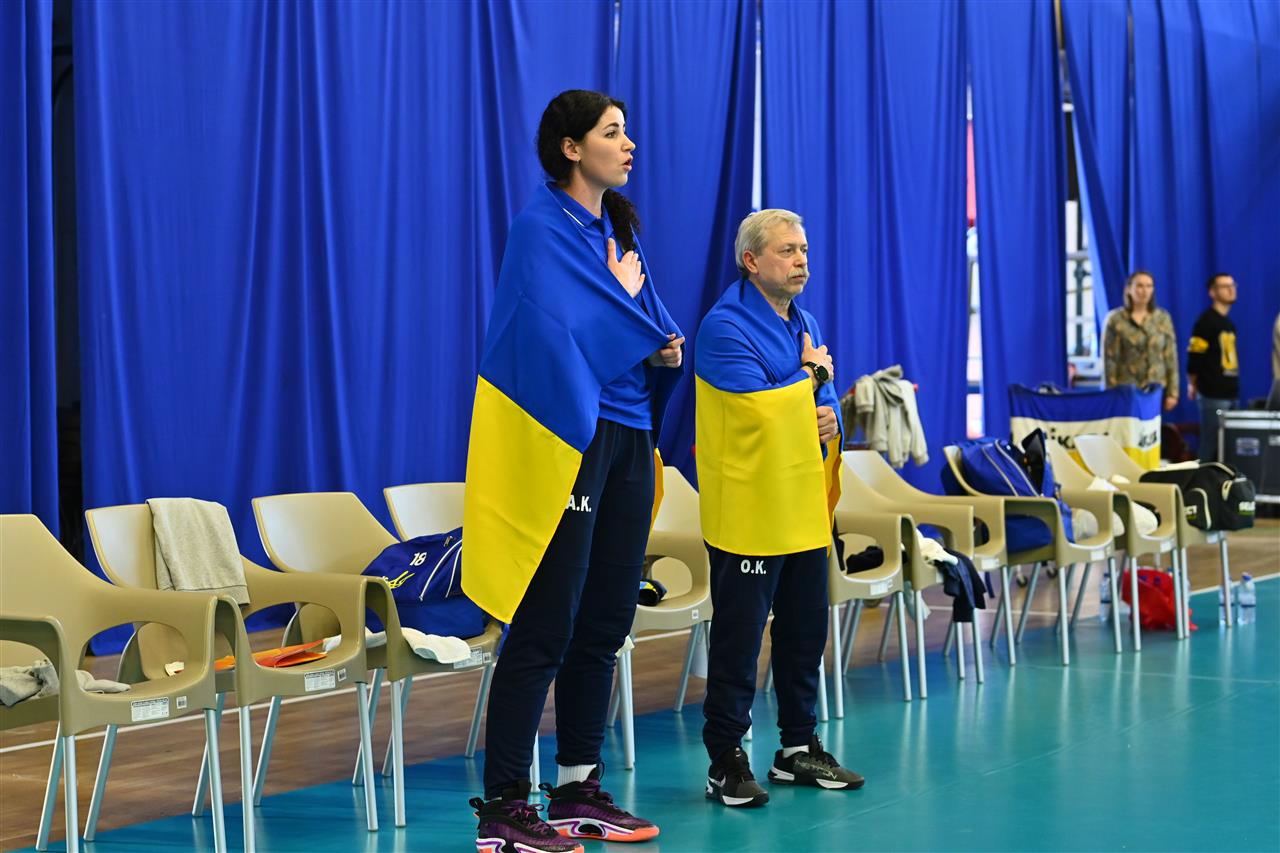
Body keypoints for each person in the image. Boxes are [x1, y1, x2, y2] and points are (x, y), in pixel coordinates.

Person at [462, 90, 684, 853]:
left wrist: (659, 342)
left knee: (605, 620)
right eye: (612, 132)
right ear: (570, 146)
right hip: (569, 440)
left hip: (631, 433)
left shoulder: (618, 229)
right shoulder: (541, 227)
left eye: (627, 131)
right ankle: (503, 806)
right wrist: (626, 312)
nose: (628, 144)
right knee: (546, 621)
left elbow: (642, 319)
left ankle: (576, 788)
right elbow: (552, 331)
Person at [693, 209, 863, 809]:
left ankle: (797, 747)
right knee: (739, 639)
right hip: (748, 507)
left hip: (801, 504)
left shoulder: (804, 321)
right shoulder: (724, 328)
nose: (801, 261)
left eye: (804, 250)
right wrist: (811, 377)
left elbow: (823, 401)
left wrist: (829, 414)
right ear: (751, 260)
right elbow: (757, 413)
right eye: (787, 251)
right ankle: (724, 758)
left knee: (803, 631)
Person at [1102, 270, 1179, 411]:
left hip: (1155, 390)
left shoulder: (1162, 318)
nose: (1144, 291)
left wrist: (1172, 393)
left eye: (1149, 286)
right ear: (1128, 289)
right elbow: (1110, 360)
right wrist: (1110, 393)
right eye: (1139, 286)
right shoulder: (1115, 319)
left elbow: (1171, 357)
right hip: (1126, 390)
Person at [1187, 273, 1240, 461]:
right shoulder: (1206, 321)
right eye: (1225, 286)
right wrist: (1193, 383)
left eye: (1232, 285)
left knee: (1228, 449)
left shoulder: (1229, 323)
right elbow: (1194, 356)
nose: (1231, 289)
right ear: (1212, 292)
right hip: (1212, 394)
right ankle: (1201, 478)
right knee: (1210, 447)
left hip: (1230, 393)